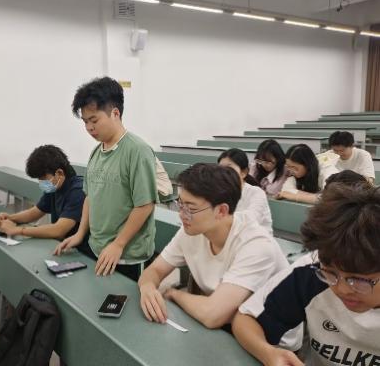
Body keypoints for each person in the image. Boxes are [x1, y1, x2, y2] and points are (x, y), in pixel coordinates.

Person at [232, 183, 380, 366]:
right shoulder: (312, 270)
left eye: (358, 280)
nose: (341, 289)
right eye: (331, 273)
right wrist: (269, 354)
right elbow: (246, 319)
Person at [138, 163, 288, 329]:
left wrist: (174, 294)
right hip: (228, 323)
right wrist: (147, 287)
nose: (181, 215)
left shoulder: (256, 245)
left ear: (221, 211)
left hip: (268, 335)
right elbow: (155, 270)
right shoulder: (192, 231)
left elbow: (212, 315)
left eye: (190, 209)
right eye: (180, 204)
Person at [54, 76, 158, 281]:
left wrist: (118, 244)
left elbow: (145, 205)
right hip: (99, 249)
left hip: (127, 255)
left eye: (94, 120)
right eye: (85, 122)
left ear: (115, 113)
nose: (89, 128)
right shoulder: (96, 152)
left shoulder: (137, 150)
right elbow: (89, 197)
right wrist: (79, 234)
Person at [0, 145, 91, 255]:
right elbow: (35, 212)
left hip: (82, 252)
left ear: (59, 173)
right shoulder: (55, 186)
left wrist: (17, 230)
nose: (41, 182)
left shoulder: (78, 191)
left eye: (43, 178)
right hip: (63, 246)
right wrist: (10, 218)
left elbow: (58, 230)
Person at [218, 148, 273, 234]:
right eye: (220, 169)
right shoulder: (220, 192)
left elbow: (250, 219)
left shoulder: (257, 193)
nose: (223, 174)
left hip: (255, 238)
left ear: (244, 172)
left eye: (229, 169)